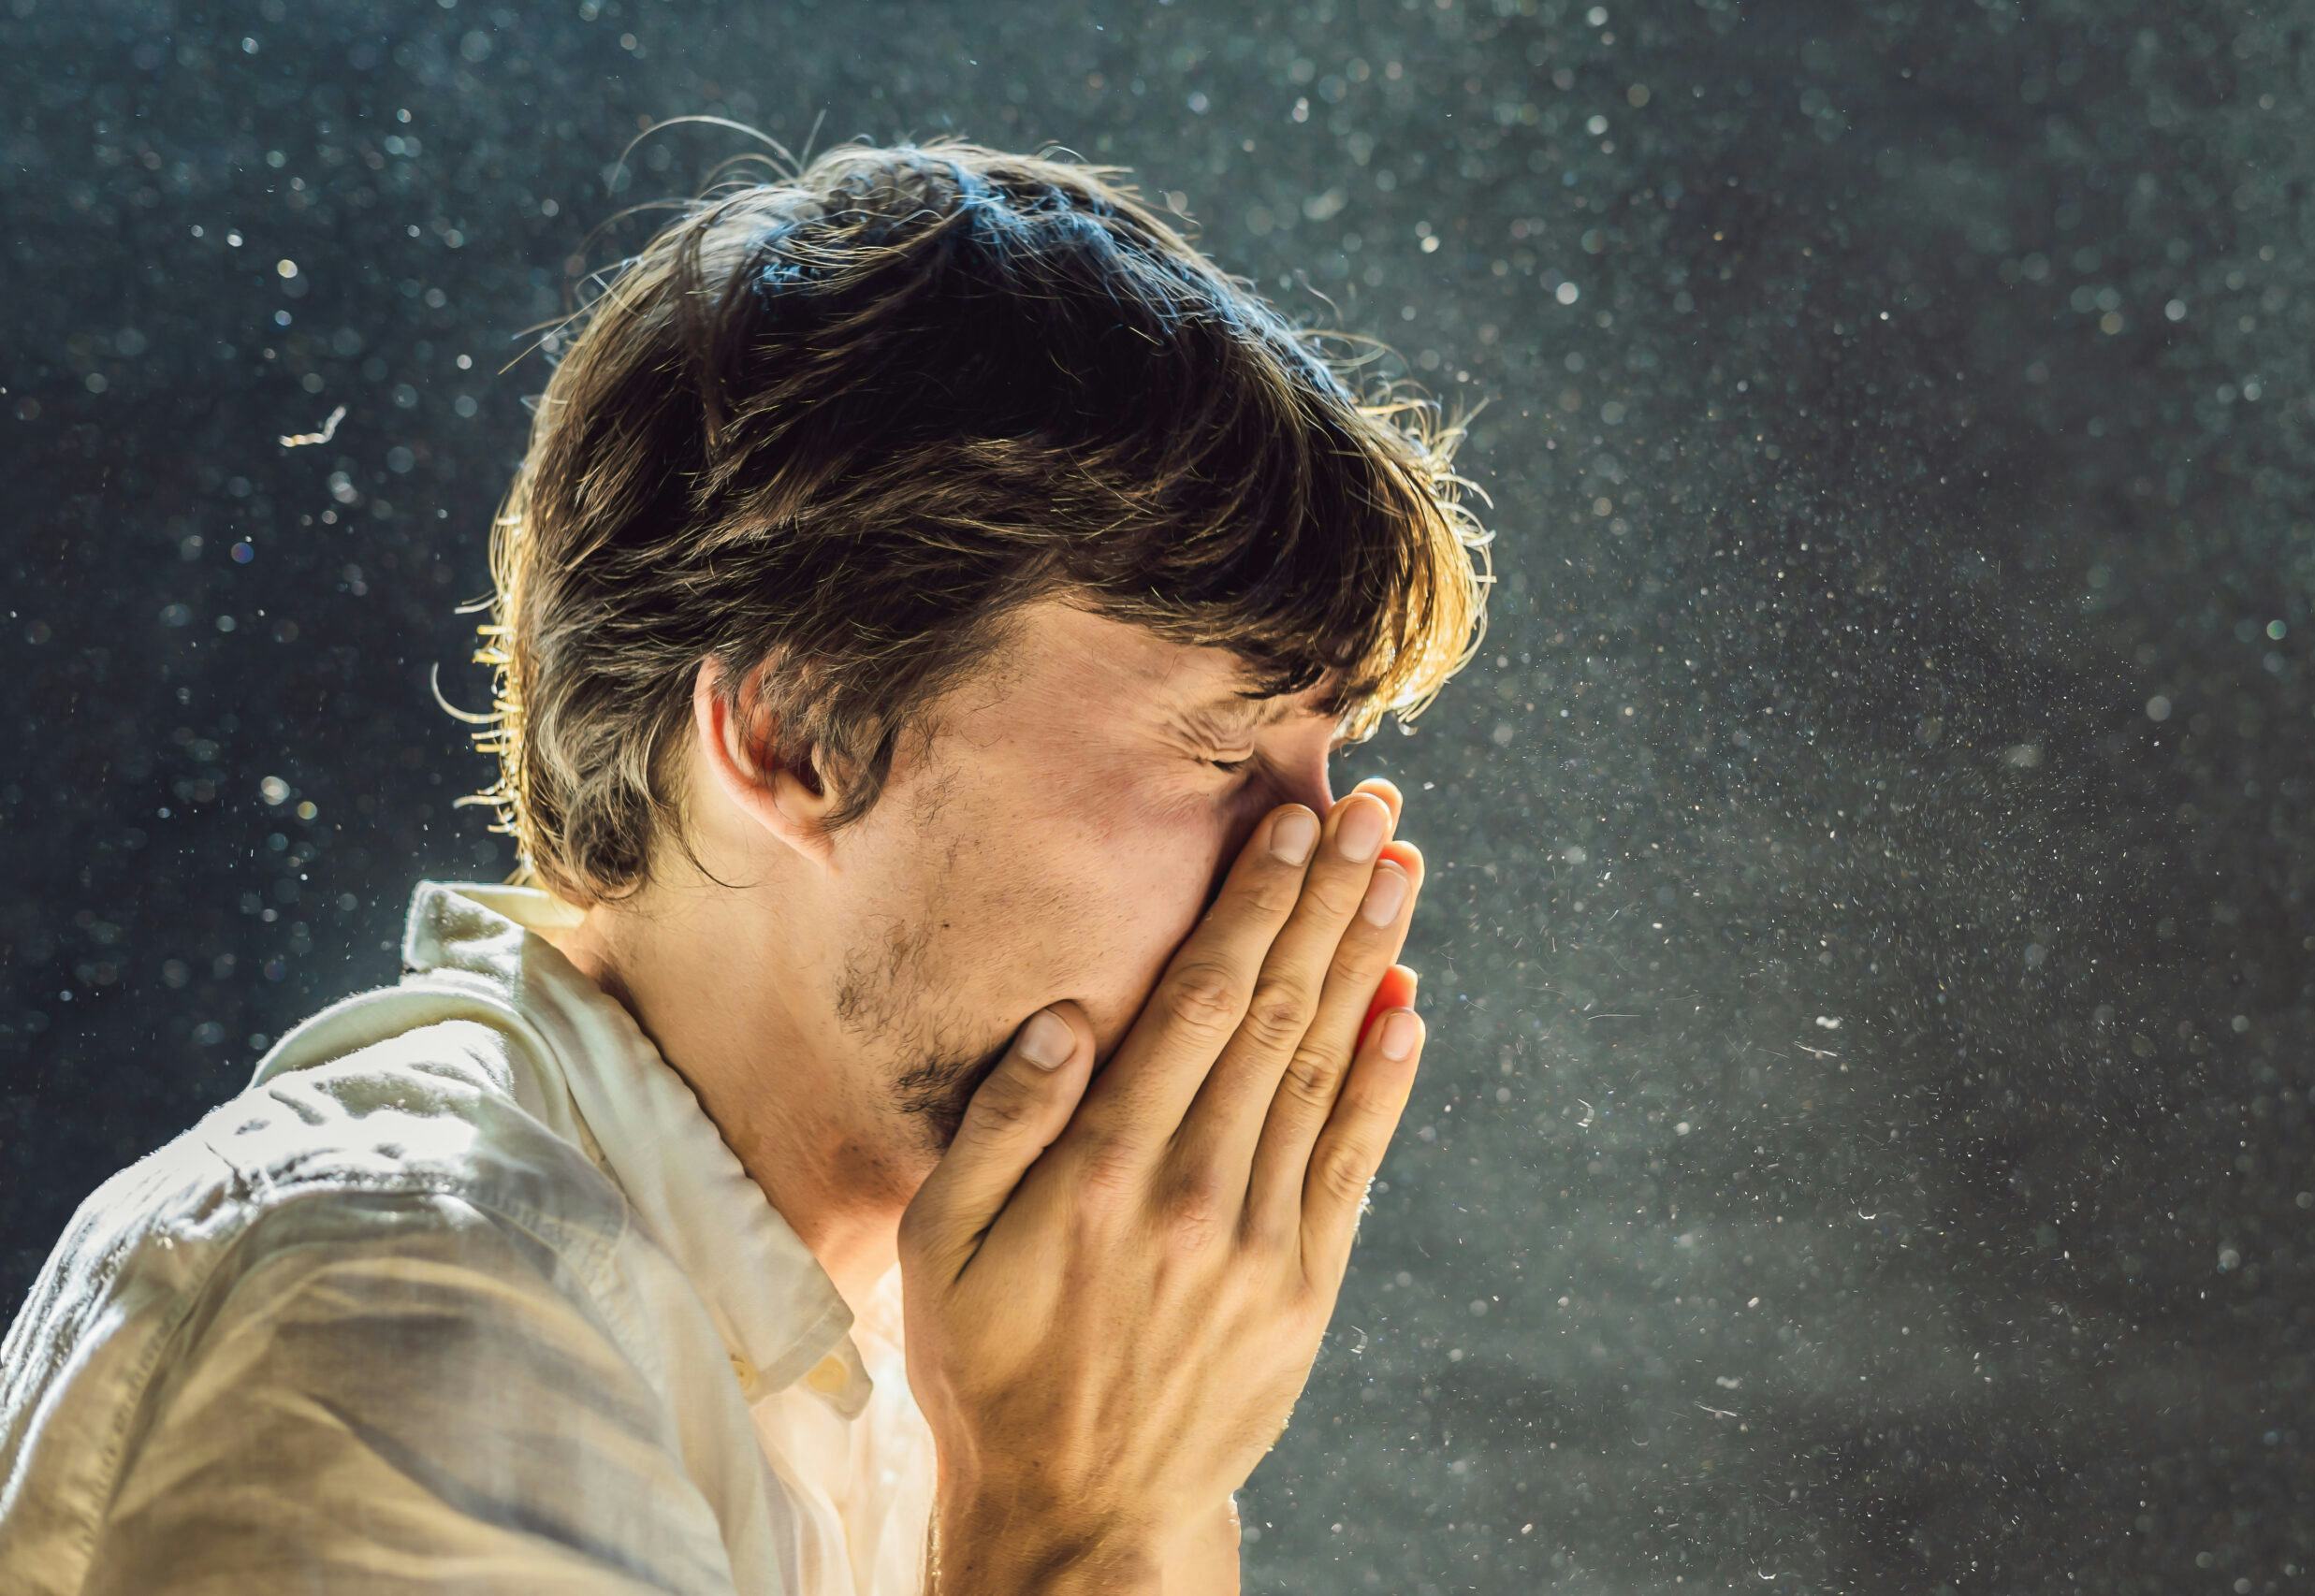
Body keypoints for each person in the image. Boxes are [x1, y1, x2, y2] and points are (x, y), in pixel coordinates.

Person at [0, 133, 1493, 1593]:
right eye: (1222, 750)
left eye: (1326, 763)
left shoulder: (926, 1391)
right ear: (802, 736)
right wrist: (1076, 1532)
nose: (1316, 874)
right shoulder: (408, 1315)